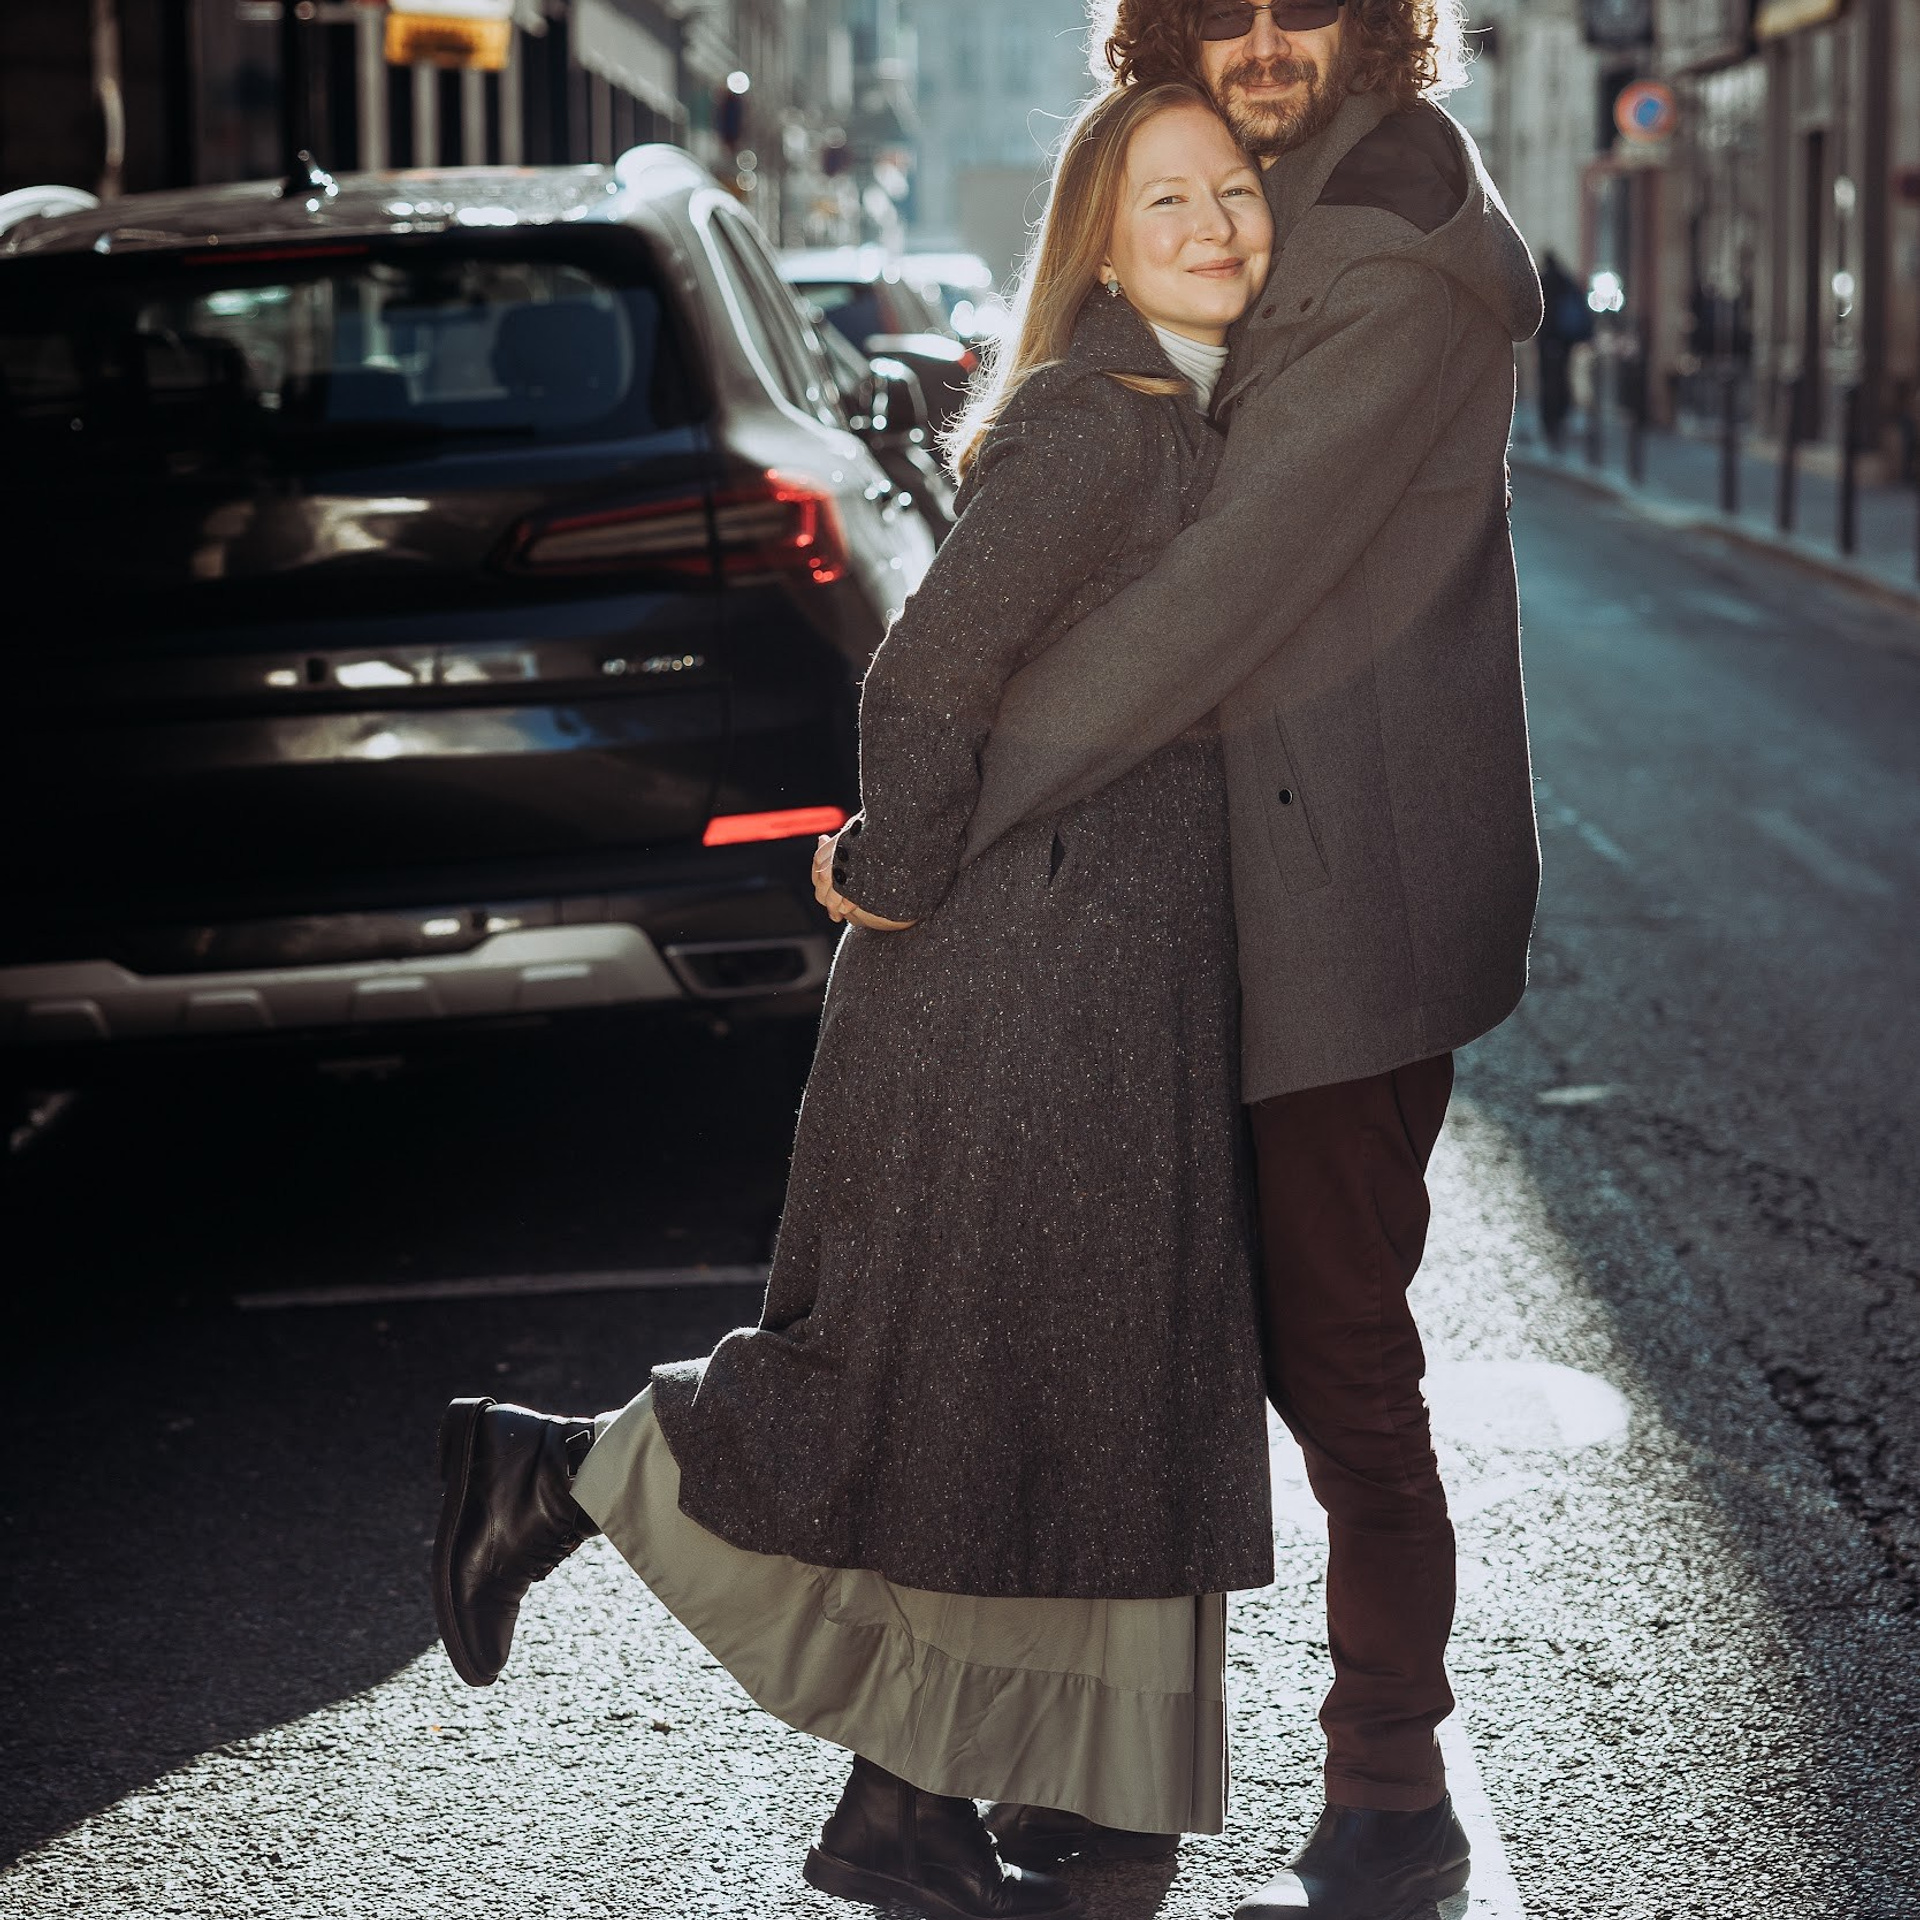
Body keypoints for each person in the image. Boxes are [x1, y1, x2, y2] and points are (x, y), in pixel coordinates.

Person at [432, 80, 1279, 1920]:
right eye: (1167, 202)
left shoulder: (1203, 419)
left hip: (1111, 984)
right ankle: (574, 1478)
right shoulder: (1099, 420)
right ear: (1097, 243)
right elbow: (927, 670)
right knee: (975, 1391)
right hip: (1027, 988)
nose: (1214, 223)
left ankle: (963, 1804)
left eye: (1235, 192)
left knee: (1059, 1395)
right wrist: (893, 874)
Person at [840, 4, 1543, 1917]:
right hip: (1185, 892)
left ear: (1381, 22)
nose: (1255, 39)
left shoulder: (1392, 239)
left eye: (1299, 2)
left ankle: (1393, 1793)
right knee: (1133, 1352)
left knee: (1337, 1363)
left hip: (1348, 909)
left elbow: (1210, 591)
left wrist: (956, 800)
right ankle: (1102, 1792)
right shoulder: (1252, 195)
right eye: (1211, 7)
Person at [1536, 250, 1591, 450]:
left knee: (1549, 383)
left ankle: (1551, 423)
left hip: (1549, 342)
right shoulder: (1566, 280)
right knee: (1562, 379)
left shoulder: (1544, 281)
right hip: (1565, 342)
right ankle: (1560, 417)